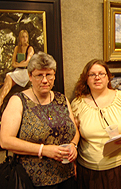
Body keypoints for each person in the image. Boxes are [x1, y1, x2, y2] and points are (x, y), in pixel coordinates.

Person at [0, 51, 79, 188]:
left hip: (66, 178)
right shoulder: (18, 101)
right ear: (30, 76)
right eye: (39, 75)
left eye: (49, 75)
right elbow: (5, 141)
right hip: (32, 181)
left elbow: (74, 130)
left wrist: (73, 145)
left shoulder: (62, 99)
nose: (44, 80)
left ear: (54, 75)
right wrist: (43, 150)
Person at [71, 59, 121, 189]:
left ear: (108, 77)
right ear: (86, 79)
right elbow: (74, 134)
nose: (97, 77)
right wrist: (72, 162)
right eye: (92, 74)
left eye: (101, 73)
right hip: (90, 171)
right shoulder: (77, 104)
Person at [0, 30, 34, 107]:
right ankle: (1, 100)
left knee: (8, 76)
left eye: (26, 37)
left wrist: (17, 64)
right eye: (23, 37)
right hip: (18, 71)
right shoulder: (17, 48)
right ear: (20, 38)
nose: (25, 39)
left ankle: (0, 100)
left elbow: (27, 63)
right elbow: (12, 63)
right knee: (5, 85)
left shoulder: (30, 48)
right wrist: (19, 64)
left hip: (26, 72)